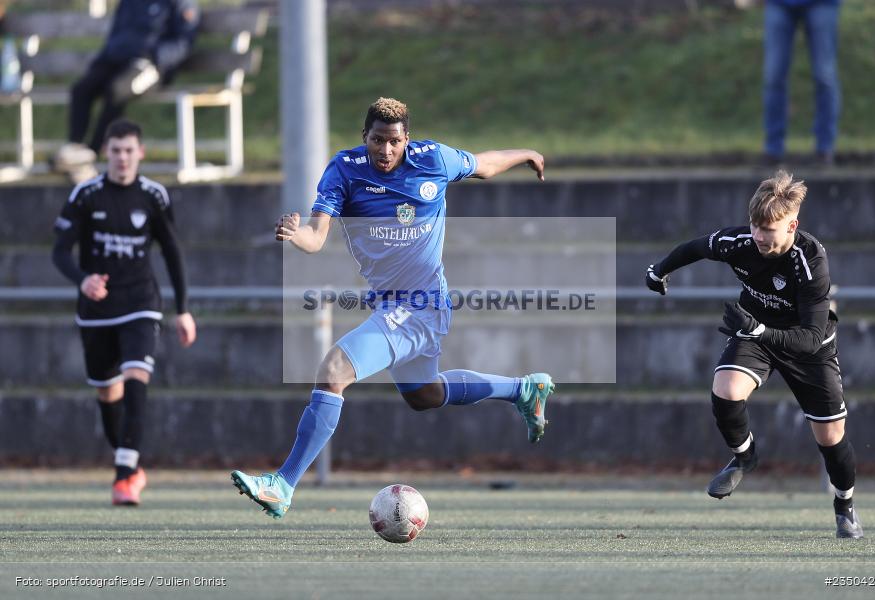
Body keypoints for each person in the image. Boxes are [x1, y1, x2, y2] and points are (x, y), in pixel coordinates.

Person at [231, 97, 555, 519]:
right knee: (425, 395)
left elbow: (484, 164)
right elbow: (315, 236)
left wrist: (527, 153)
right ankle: (523, 390)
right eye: (378, 141)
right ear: (364, 138)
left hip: (421, 305)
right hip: (392, 305)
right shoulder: (344, 170)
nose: (386, 151)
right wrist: (295, 236)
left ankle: (283, 484)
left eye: (394, 142)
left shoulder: (432, 159)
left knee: (333, 371)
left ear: (407, 140)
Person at [645, 170, 861, 539]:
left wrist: (760, 330)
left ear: (792, 225)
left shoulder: (810, 262)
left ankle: (845, 506)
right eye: (756, 227)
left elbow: (809, 338)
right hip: (755, 333)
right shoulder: (741, 241)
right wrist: (659, 270)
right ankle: (745, 456)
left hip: (809, 348)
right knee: (726, 389)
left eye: (769, 230)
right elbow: (697, 247)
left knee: (830, 437)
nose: (760, 237)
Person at [52, 118, 197, 506]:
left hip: (141, 304)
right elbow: (59, 251)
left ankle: (122, 478)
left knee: (136, 378)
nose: (122, 158)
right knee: (107, 391)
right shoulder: (85, 195)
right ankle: (131, 465)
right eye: (115, 151)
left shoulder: (153, 195)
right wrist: (82, 279)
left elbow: (172, 252)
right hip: (97, 309)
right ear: (106, 154)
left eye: (129, 150)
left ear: (140, 153)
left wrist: (182, 310)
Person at [54, 0, 199, 181]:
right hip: (115, 60)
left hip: (150, 66)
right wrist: (105, 57)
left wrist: (156, 58)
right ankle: (75, 149)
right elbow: (116, 33)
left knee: (117, 91)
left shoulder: (179, 3)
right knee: (82, 89)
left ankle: (91, 155)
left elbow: (183, 42)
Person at [762, 0, 841, 166]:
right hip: (779, 4)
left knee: (824, 76)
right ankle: (772, 150)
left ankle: (825, 148)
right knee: (773, 76)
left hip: (823, 4)